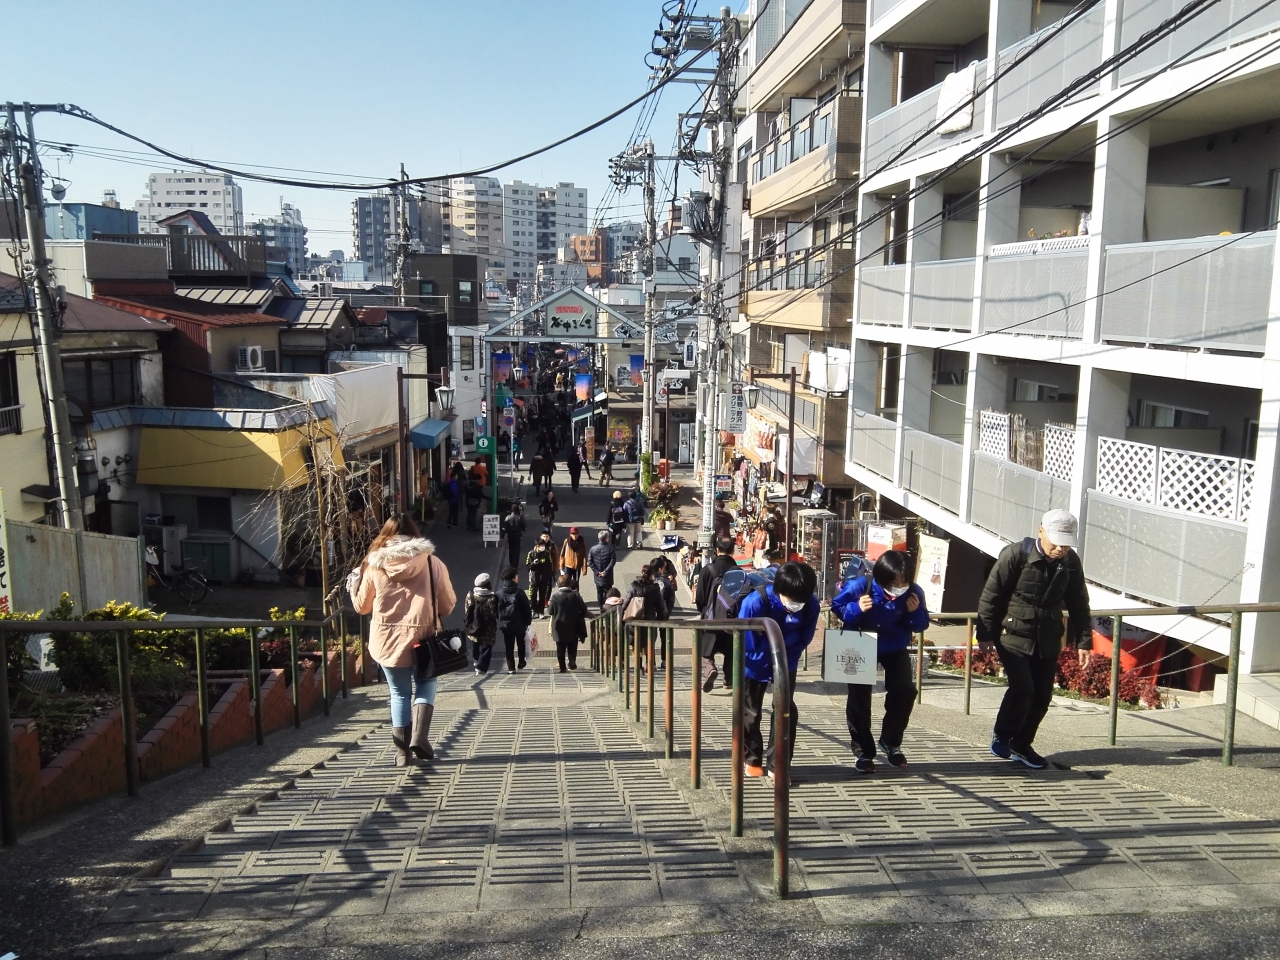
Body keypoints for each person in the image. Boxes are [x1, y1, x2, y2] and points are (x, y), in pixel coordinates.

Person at [977, 509, 1092, 770]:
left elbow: (1079, 603)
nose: (1061, 549)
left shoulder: (1071, 563)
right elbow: (991, 595)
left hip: (1048, 636)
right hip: (1012, 632)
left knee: (1042, 695)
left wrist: (1085, 641)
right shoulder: (1015, 555)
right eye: (1056, 542)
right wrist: (983, 634)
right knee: (1023, 688)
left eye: (1066, 544)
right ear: (1041, 531)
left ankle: (1022, 744)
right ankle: (1003, 734)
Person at [350, 513, 456, 766]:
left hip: (387, 640)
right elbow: (448, 605)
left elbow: (362, 607)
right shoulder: (433, 563)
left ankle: (402, 754)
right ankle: (419, 737)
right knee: (425, 685)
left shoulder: (373, 565)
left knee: (399, 693)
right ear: (414, 534)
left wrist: (353, 584)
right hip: (425, 637)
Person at [830, 549, 929, 773]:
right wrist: (856, 608)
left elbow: (921, 624)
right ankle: (863, 751)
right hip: (861, 643)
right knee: (859, 697)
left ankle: (890, 741)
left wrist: (913, 613)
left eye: (904, 582)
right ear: (881, 578)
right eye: (894, 582)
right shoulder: (860, 586)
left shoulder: (914, 592)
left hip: (894, 645)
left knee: (905, 691)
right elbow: (837, 607)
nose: (899, 587)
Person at [736, 561, 819, 781]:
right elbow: (748, 640)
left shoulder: (811, 605)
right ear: (779, 590)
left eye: (800, 600)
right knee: (750, 711)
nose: (795, 604)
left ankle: (779, 763)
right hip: (753, 662)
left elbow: (805, 637)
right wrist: (777, 642)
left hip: (786, 661)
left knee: (784, 710)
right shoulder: (756, 602)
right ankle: (752, 758)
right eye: (791, 600)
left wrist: (783, 645)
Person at [695, 537, 740, 695]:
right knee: (730, 651)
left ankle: (710, 669)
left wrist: (704, 610)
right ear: (733, 551)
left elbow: (700, 597)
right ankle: (728, 680)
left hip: (710, 619)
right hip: (731, 619)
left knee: (705, 651)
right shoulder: (738, 572)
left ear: (717, 550)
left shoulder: (707, 570)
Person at [622, 563, 668, 673]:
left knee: (637, 643)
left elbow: (626, 603)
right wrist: (662, 620)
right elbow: (661, 607)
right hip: (650, 621)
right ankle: (649, 665)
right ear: (652, 575)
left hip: (635, 621)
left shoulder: (634, 587)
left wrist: (622, 617)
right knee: (649, 643)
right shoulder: (655, 589)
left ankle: (638, 666)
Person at [547, 574, 589, 672]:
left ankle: (562, 667)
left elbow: (550, 611)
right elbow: (583, 609)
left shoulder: (555, 597)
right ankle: (572, 662)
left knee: (560, 647)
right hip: (573, 625)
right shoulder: (576, 595)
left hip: (559, 625)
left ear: (558, 584)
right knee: (572, 646)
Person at [495, 566, 533, 674]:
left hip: (506, 625)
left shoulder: (498, 593)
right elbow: (526, 608)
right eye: (516, 576)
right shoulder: (519, 592)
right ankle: (521, 662)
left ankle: (511, 668)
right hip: (519, 623)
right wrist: (527, 621)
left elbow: (494, 610)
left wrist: (500, 619)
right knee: (521, 643)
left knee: (508, 646)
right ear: (513, 578)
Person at [464, 572, 499, 675]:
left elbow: (466, 610)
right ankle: (481, 668)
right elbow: (494, 613)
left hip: (473, 626)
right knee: (486, 646)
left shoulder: (470, 595)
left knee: (475, 641)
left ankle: (475, 660)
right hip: (487, 628)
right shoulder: (491, 598)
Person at [652, 556, 677, 670]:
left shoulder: (649, 581)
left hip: (650, 614)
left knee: (650, 638)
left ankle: (651, 662)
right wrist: (667, 612)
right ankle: (664, 662)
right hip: (664, 613)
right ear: (661, 569)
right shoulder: (667, 582)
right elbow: (671, 600)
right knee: (664, 638)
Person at [526, 532, 558, 617]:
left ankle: (541, 611)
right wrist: (533, 563)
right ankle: (533, 609)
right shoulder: (531, 553)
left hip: (544, 578)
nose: (542, 547)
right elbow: (528, 566)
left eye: (543, 545)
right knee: (532, 595)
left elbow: (550, 564)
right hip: (534, 578)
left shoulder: (547, 554)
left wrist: (550, 574)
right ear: (537, 546)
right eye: (541, 545)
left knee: (542, 596)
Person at [587, 530, 617, 609]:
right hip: (608, 575)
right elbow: (612, 561)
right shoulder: (611, 548)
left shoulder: (593, 549)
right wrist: (606, 571)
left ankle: (601, 607)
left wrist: (597, 572)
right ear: (607, 538)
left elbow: (590, 561)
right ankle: (607, 607)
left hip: (598, 576)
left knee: (599, 592)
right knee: (608, 592)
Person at [502, 502, 527, 571]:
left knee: (511, 549)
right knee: (517, 550)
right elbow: (525, 528)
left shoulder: (508, 517)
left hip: (510, 535)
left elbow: (504, 527)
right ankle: (515, 564)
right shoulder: (520, 517)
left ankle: (511, 563)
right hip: (518, 535)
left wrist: (502, 535)